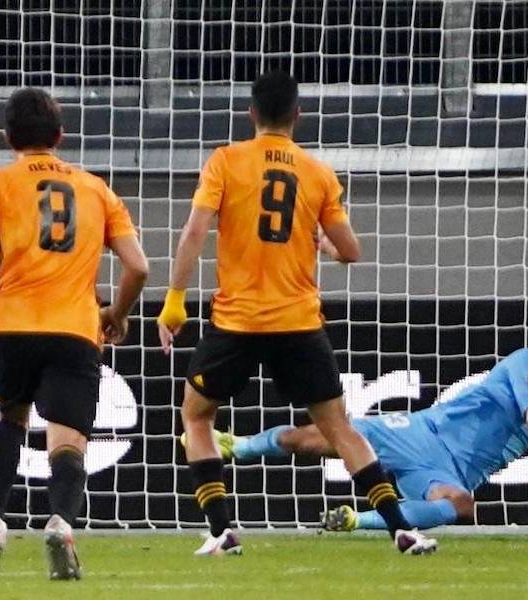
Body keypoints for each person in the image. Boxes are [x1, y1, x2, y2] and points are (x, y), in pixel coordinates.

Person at [156, 70, 436, 555]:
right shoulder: (317, 173)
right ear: (297, 116)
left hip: (238, 321)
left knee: (197, 417)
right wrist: (324, 246)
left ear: (251, 113)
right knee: (339, 428)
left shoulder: (226, 161)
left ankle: (221, 531)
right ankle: (401, 529)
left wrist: (175, 301)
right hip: (298, 323)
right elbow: (351, 251)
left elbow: (195, 232)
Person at [0, 88, 149, 579]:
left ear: (8, 137)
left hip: (14, 327)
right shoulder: (96, 189)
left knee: (10, 420)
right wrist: (117, 312)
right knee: (69, 439)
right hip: (74, 328)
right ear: (60, 136)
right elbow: (138, 266)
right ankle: (61, 524)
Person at [210, 307, 528, 531]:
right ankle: (239, 446)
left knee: (460, 505)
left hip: (451, 472)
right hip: (423, 433)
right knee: (319, 438)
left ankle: (353, 521)